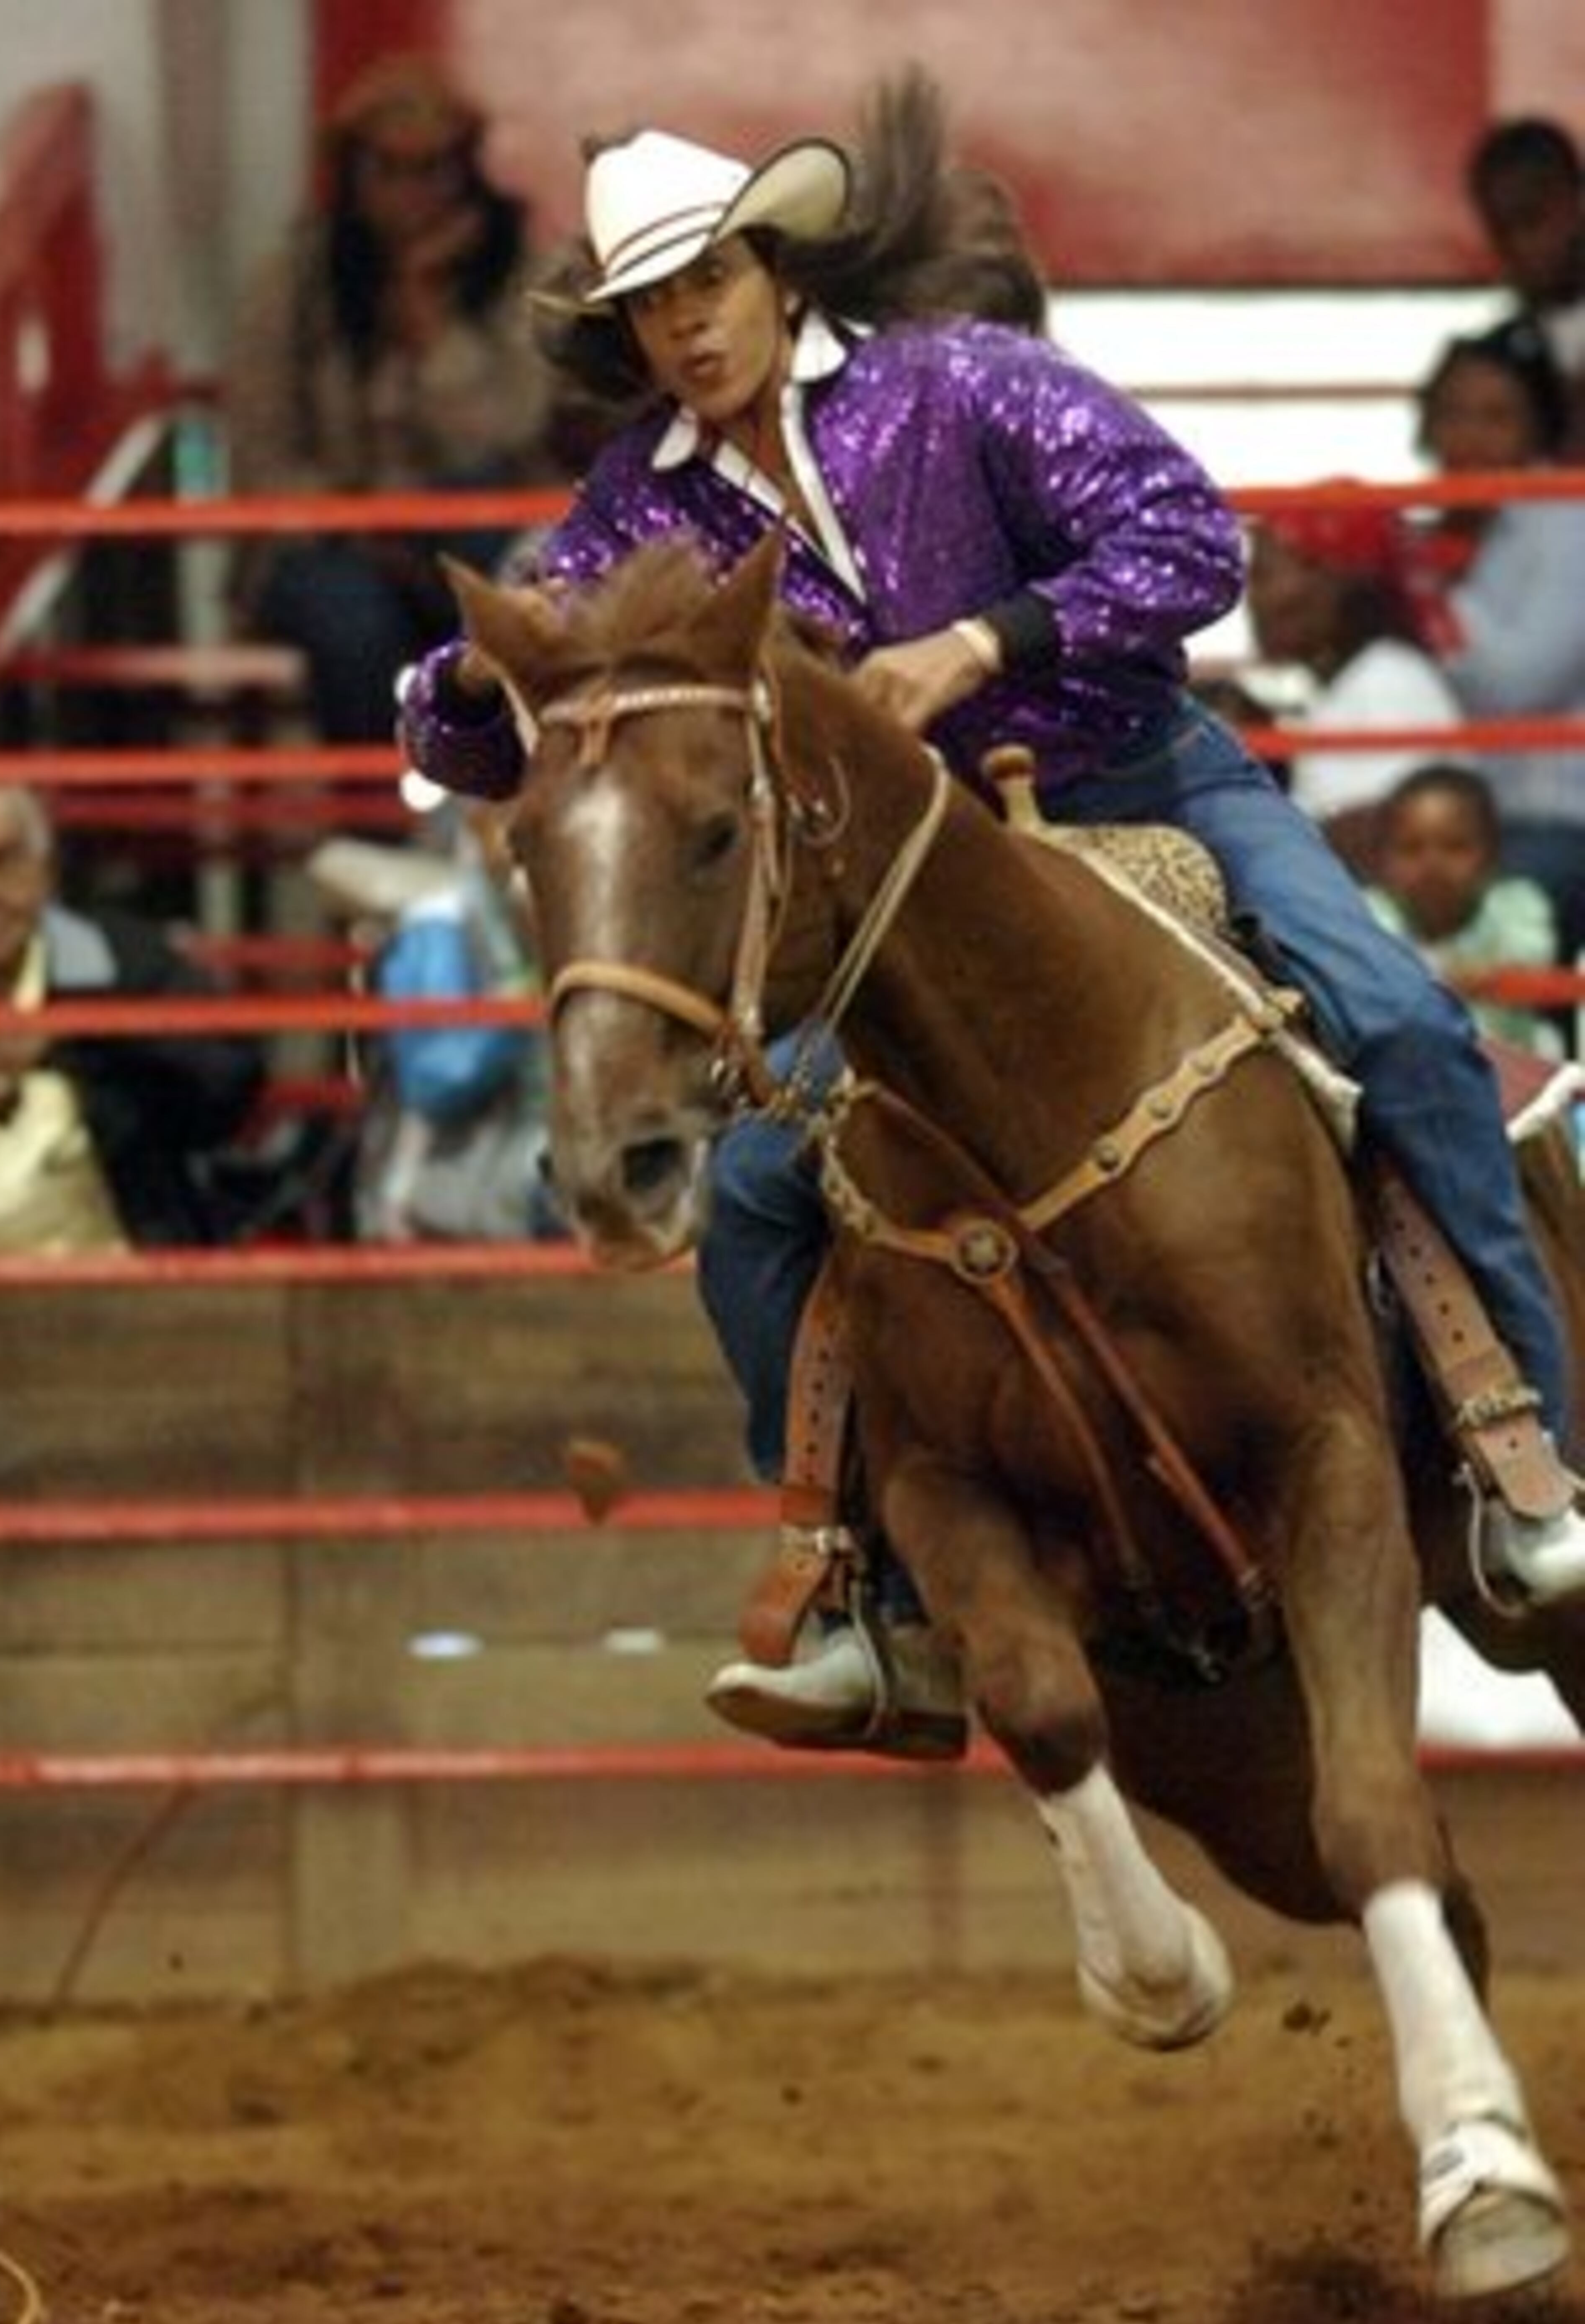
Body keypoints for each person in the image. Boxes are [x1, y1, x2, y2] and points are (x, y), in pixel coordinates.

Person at [399, 75, 1585, 1748]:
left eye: (706, 284)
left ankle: (1522, 1452)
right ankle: (855, 1584)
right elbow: (455, 722)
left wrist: (988, 641)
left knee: (1396, 1016)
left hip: (1139, 776)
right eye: (652, 306)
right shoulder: (635, 511)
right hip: (889, 904)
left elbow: (1186, 538)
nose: (687, 328)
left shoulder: (959, 383)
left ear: (776, 273)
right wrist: (470, 671)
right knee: (751, 1190)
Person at [224, 53, 560, 744]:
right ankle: (378, 832)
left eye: (433, 169)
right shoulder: (292, 286)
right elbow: (263, 457)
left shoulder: (520, 276)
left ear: (465, 172)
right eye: (389, 170)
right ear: (352, 176)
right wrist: (357, 523)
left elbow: (508, 426)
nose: (413, 194)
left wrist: (431, 325)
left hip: (467, 521)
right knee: (353, 621)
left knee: (517, 588)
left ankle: (501, 804)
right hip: (325, 538)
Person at [0, 785, 266, 1251]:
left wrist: (73, 1043)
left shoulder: (122, 961)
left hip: (114, 1290)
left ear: (46, 871)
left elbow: (227, 1091)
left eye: (4, 861)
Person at [1407, 318, 1585, 971]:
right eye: (1452, 413)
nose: (1469, 437)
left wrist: (1418, 584)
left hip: (1559, 822)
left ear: (1536, 428)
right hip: (1471, 822)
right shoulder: (1449, 530)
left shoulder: (1569, 518)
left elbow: (1516, 684)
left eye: (1497, 416)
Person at [308, 806, 560, 1243]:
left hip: (525, 1163)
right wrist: (514, 1013)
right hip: (444, 1183)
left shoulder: (560, 917)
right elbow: (433, 1081)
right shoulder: (438, 926)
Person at [1243, 493, 1463, 878]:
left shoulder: (1391, 679)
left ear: (1332, 578)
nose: (1250, 599)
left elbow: (1380, 835)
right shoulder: (1346, 684)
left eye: (1263, 575)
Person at [1365, 764, 1564, 1056]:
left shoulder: (1516, 904)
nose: (1433, 866)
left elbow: (1533, 959)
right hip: (1407, 1071)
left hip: (1511, 1065)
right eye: (1411, 848)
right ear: (1381, 859)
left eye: (1455, 847)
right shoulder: (1368, 913)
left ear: (1492, 854)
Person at [1465, 117, 1585, 454]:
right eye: (1501, 229)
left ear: (1577, 201)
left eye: (1532, 219)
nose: (1519, 245)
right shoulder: (1499, 355)